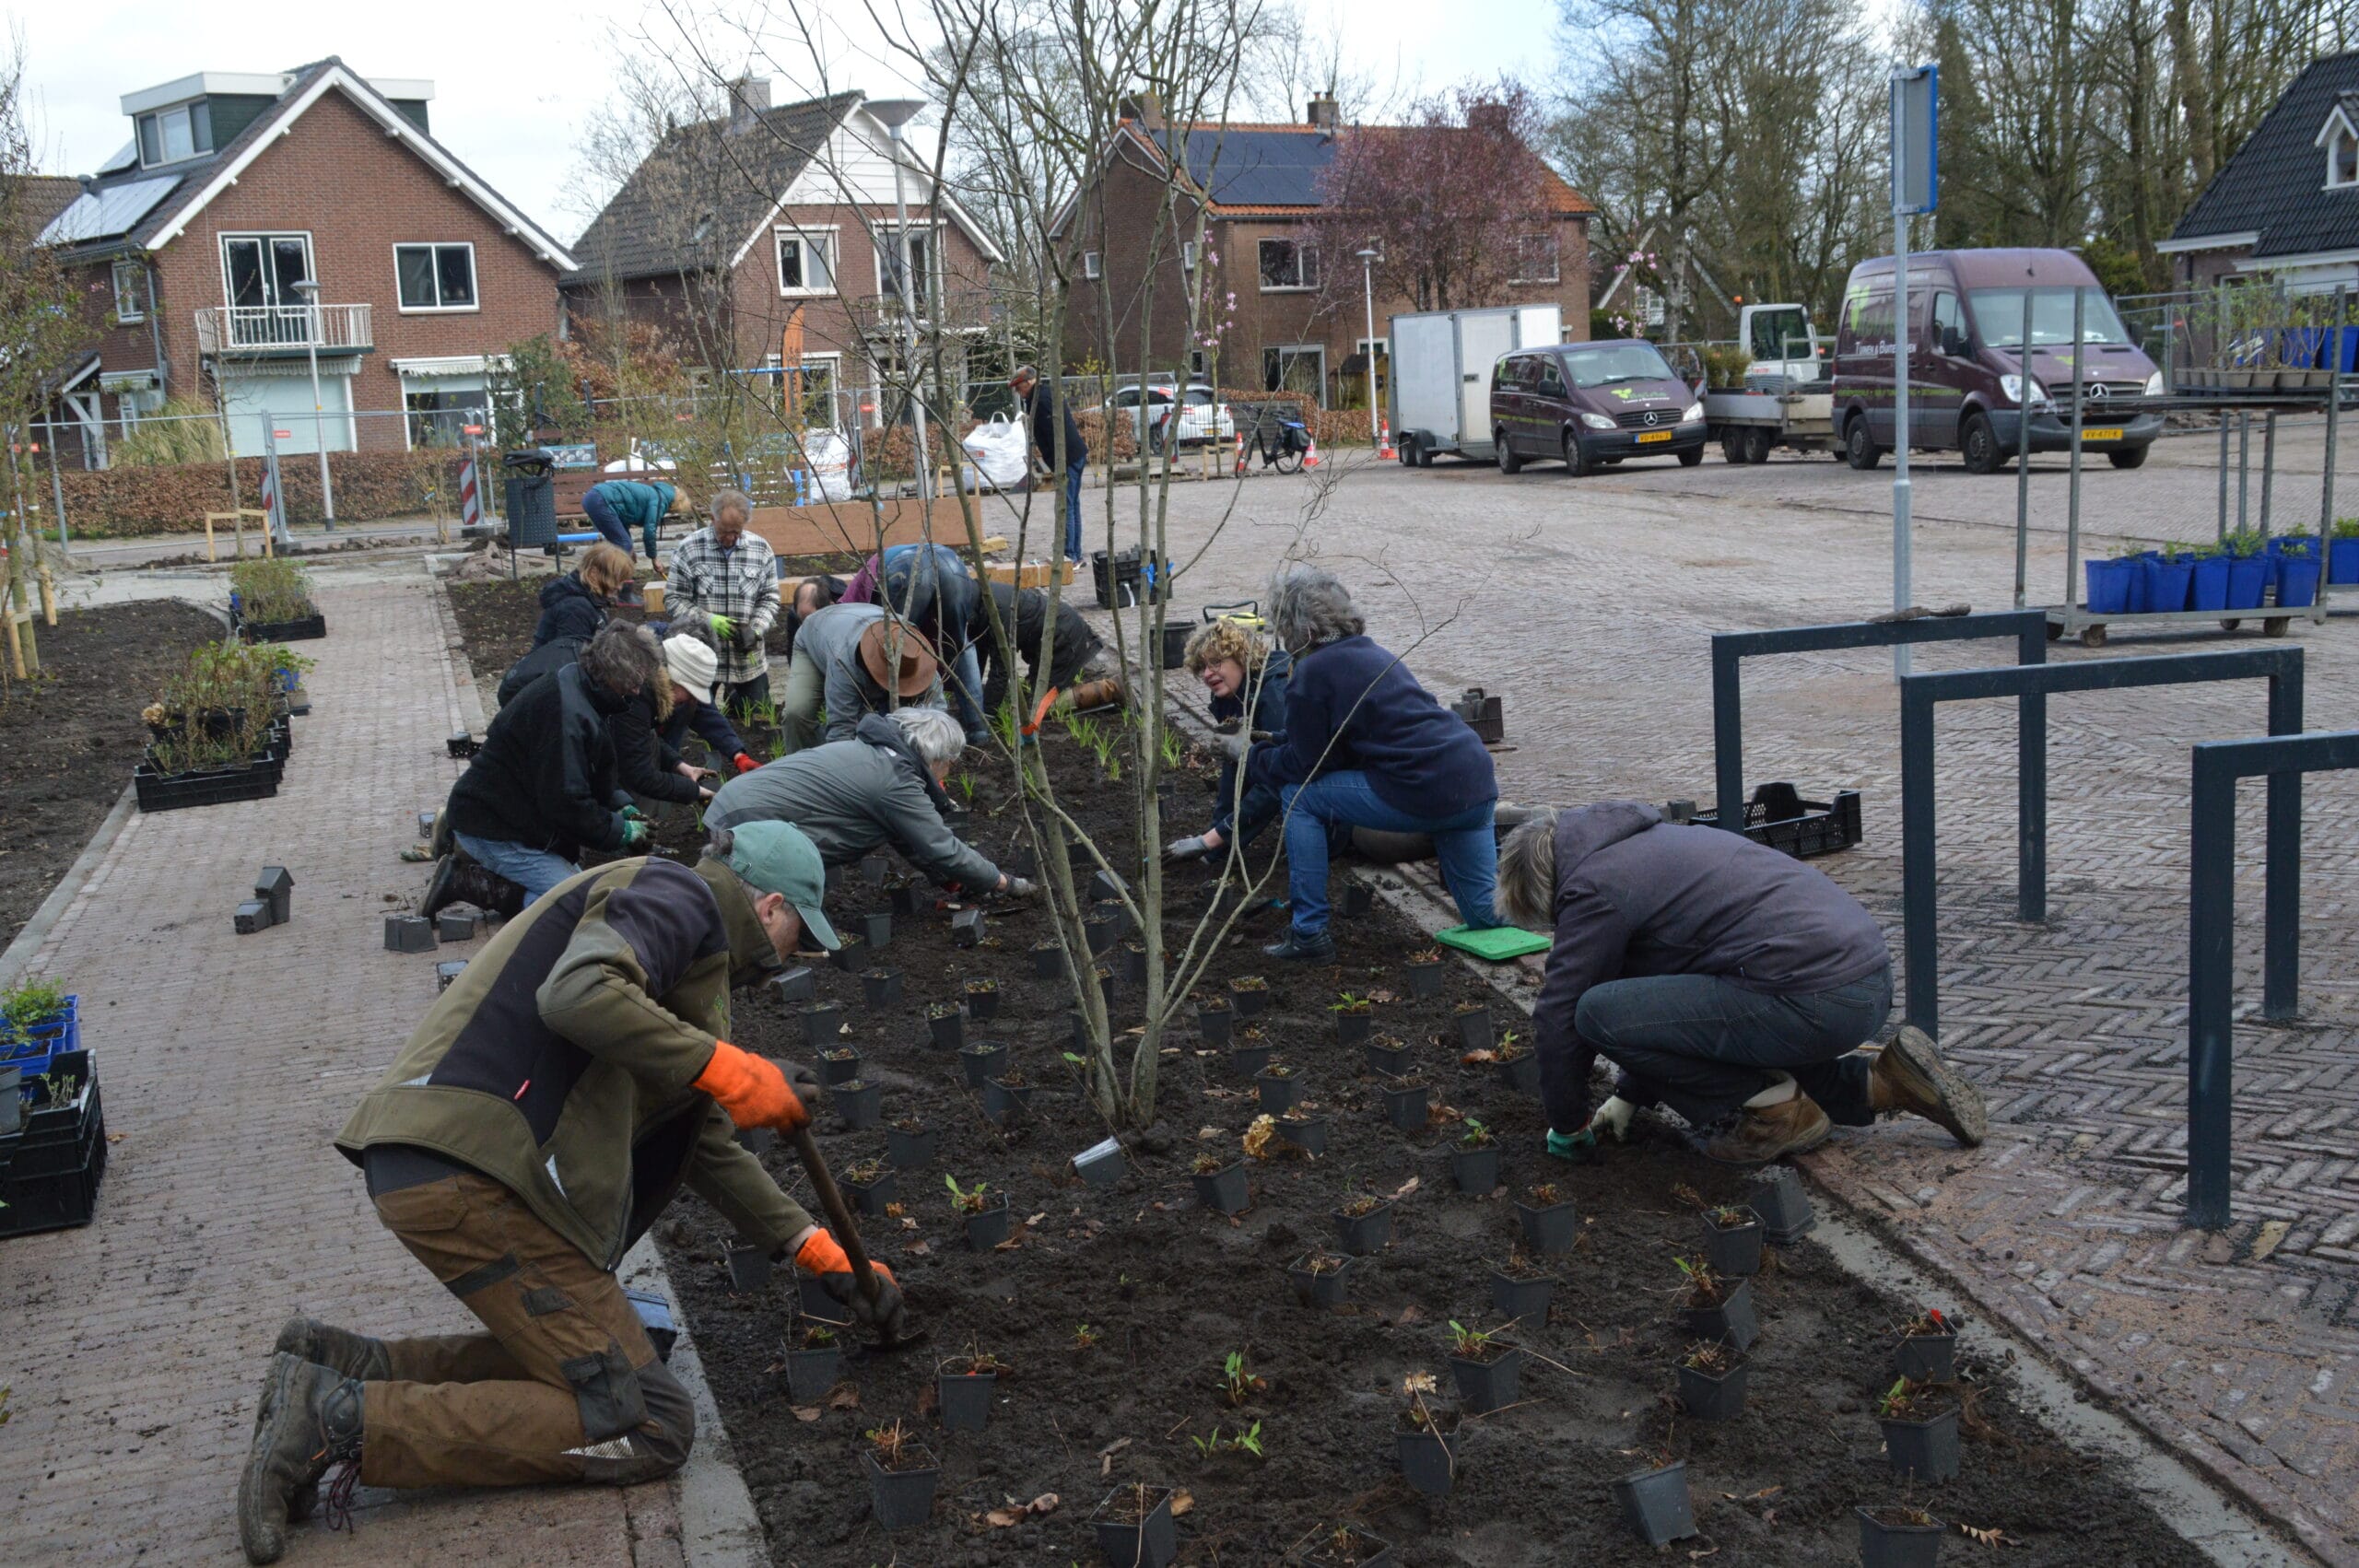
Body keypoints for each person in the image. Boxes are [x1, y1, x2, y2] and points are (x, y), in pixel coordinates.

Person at [239, 821, 903, 1563]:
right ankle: (336, 1421)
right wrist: (732, 1068)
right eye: (797, 936)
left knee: (589, 1366)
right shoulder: (677, 896)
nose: (790, 958)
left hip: (448, 1162)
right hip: (476, 1176)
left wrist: (816, 1250)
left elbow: (704, 1141)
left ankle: (346, 1368)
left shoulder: (681, 962)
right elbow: (577, 993)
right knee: (648, 1419)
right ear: (771, 907)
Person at [1496, 802, 1988, 1166]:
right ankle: (1879, 1083)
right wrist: (1629, 1095)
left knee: (1594, 1013)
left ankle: (1774, 1111)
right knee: (1732, 1006)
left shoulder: (1594, 887)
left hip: (1810, 998)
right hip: (1864, 982)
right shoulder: (1655, 842)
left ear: (1548, 886)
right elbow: (1673, 1007)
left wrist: (1567, 1126)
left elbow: (1559, 1016)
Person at [1240, 565, 1501, 963]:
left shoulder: (1311, 671)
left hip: (1421, 787)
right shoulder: (1374, 653)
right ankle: (1567, 910)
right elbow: (1344, 744)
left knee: (1299, 798)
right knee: (1485, 914)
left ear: (1296, 627)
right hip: (1473, 780)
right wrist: (1275, 741)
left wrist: (1248, 755)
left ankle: (1308, 933)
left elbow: (1305, 765)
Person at [427, 622, 658, 912]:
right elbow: (567, 803)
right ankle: (464, 883)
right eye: (633, 681)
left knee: (579, 887)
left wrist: (621, 806)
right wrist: (620, 831)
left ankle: (466, 846)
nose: (637, 691)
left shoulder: (581, 687)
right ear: (612, 673)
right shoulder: (566, 715)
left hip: (508, 815)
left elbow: (592, 774)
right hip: (494, 825)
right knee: (579, 903)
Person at [708, 705, 1038, 897]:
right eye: (950, 763)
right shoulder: (895, 780)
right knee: (762, 906)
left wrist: (946, 879)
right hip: (744, 822)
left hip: (733, 803)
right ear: (938, 758)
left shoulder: (875, 753)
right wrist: (1004, 882)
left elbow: (906, 836)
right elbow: (941, 846)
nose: (949, 772)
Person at [1168, 617, 1288, 861]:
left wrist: (1210, 840)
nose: (1207, 674)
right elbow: (1235, 772)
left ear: (1242, 658)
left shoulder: (1275, 696)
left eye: (1215, 663)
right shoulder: (1230, 698)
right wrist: (1214, 847)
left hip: (1334, 805)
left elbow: (1276, 782)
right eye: (1202, 667)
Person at [842, 543, 990, 743]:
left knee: (893, 647)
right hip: (950, 562)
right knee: (959, 645)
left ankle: (893, 728)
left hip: (905, 568)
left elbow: (856, 634)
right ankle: (978, 728)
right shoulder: (879, 562)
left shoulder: (851, 598)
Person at [611, 634, 763, 808]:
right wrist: (695, 792)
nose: (692, 700)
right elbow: (639, 773)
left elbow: (645, 737)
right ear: (674, 677)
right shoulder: (635, 696)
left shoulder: (655, 688)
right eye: (691, 692)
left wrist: (679, 765)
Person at [664, 489, 779, 713]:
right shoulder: (689, 548)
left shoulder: (760, 549)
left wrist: (755, 629)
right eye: (725, 532)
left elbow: (770, 598)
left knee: (759, 716)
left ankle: (734, 699)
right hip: (699, 655)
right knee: (690, 721)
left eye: (737, 532)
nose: (731, 538)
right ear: (712, 518)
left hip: (746, 660)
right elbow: (674, 599)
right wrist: (709, 621)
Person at [777, 602, 940, 755]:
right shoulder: (844, 662)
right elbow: (841, 729)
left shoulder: (916, 654)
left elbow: (938, 717)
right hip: (817, 632)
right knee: (797, 713)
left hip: (858, 619)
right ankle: (805, 766)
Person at [975, 579, 1103, 720]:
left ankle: (1111, 689)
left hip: (1064, 638)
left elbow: (1001, 669)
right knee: (1035, 695)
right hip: (1052, 637)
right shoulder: (982, 600)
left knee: (1043, 707)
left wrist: (987, 713)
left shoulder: (998, 613)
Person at [1011, 365, 1087, 564]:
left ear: (1028, 382)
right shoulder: (1045, 394)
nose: (1019, 392)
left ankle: (1070, 556)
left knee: (1066, 505)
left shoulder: (1042, 400)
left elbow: (1054, 433)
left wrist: (1056, 463)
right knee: (1072, 504)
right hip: (1074, 455)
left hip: (1068, 458)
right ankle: (1075, 554)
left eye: (1019, 388)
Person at [533, 543, 634, 647]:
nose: (619, 587)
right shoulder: (575, 608)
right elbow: (573, 657)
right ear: (593, 574)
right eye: (616, 580)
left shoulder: (589, 597)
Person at [581, 475, 681, 561]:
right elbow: (649, 531)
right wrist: (654, 558)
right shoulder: (659, 501)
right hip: (601, 500)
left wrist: (630, 549)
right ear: (675, 504)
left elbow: (621, 523)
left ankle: (602, 578)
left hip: (593, 498)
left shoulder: (654, 494)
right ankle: (618, 581)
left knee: (618, 544)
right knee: (624, 545)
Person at [782, 573, 846, 659]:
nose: (806, 625)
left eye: (809, 619)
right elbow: (793, 652)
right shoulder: (793, 615)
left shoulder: (843, 611)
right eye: (802, 619)